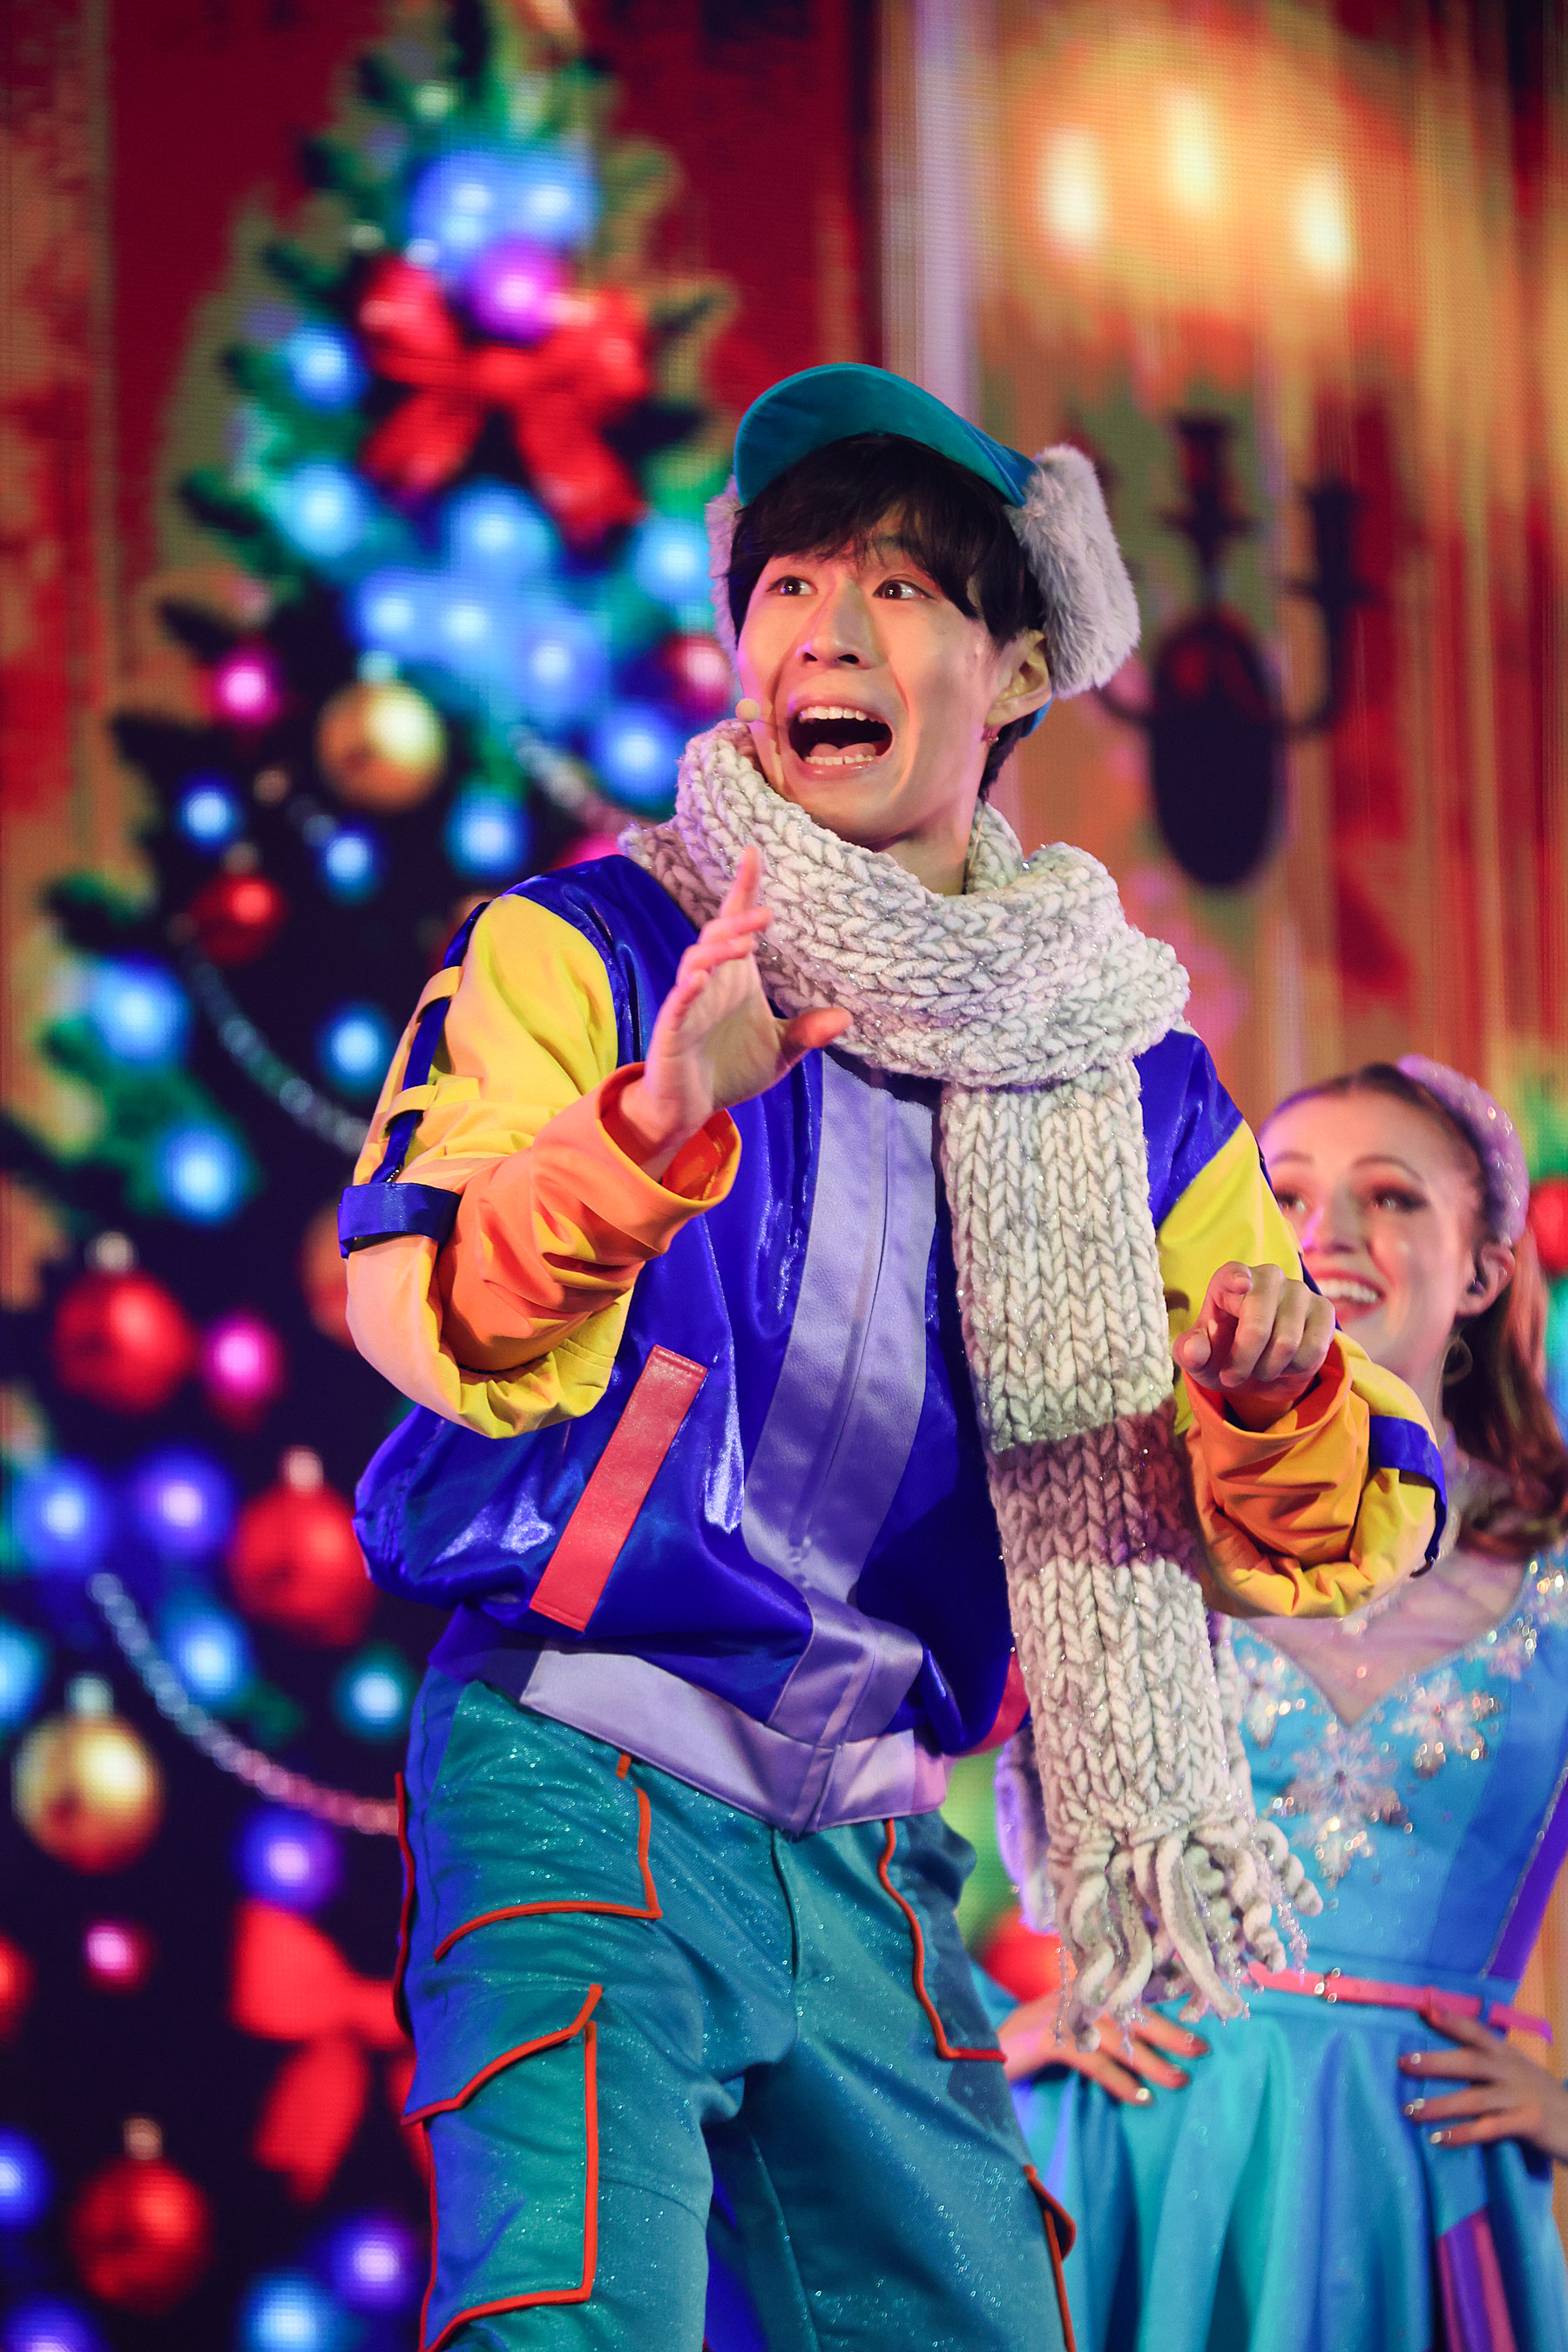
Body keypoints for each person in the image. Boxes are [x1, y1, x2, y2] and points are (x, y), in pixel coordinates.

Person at [337, 365, 1439, 2352]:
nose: (828, 630)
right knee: (570, 2317)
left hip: (865, 1844)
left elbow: (1338, 1529)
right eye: (788, 584)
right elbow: (435, 1314)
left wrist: (1276, 1397)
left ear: (1016, 672)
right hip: (575, 1767)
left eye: (903, 589)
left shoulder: (1129, 1086)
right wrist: (656, 1123)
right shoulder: (591, 951)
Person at [1001, 1055, 1568, 2352]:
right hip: (1135, 2151)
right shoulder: (1131, 1518)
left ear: (1485, 1268)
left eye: (1393, 1197)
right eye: (1287, 1193)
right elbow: (898, 1777)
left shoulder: (1556, 1574)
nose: (1328, 1233)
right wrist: (989, 2031)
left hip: (1407, 2175)